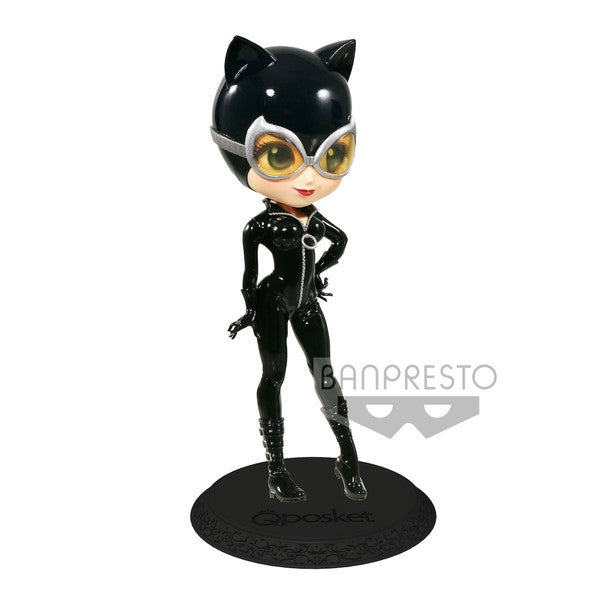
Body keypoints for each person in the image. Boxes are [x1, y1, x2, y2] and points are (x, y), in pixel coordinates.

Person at [210, 36, 367, 502]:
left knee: (325, 376)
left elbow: (340, 240)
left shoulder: (314, 219)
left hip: (306, 301)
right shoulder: (260, 225)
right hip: (272, 301)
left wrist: (320, 273)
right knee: (273, 376)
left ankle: (348, 460)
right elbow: (248, 275)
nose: (309, 178)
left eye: (333, 155)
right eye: (280, 157)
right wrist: (249, 310)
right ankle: (276, 469)